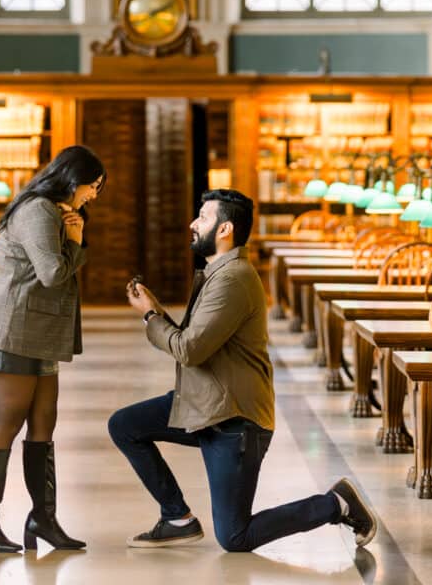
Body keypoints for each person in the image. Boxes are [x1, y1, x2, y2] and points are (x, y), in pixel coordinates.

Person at [108, 188, 377, 553]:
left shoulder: (233, 279)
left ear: (225, 229)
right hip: (205, 405)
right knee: (126, 425)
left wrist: (150, 315)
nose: (193, 223)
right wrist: (156, 310)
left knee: (235, 537)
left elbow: (189, 349)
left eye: (202, 217)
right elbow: (194, 341)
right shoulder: (218, 273)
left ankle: (336, 503)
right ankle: (177, 518)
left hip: (235, 421)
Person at [0, 145, 106, 553]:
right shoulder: (38, 210)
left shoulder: (54, 211)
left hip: (39, 332)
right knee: (8, 419)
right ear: (71, 178)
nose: (94, 195)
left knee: (45, 421)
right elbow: (51, 274)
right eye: (93, 185)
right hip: (13, 330)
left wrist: (74, 237)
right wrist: (76, 239)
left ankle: (42, 519)